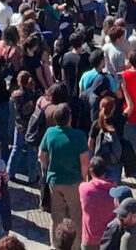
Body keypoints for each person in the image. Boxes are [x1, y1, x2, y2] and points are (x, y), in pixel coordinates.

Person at [37, 102, 89, 246]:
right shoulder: (79, 136)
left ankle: (55, 245)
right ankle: (76, 246)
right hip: (73, 182)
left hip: (55, 181)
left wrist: (48, 169)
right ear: (69, 118)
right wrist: (84, 179)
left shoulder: (50, 133)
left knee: (56, 217)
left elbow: (41, 155)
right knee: (76, 217)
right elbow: (85, 162)